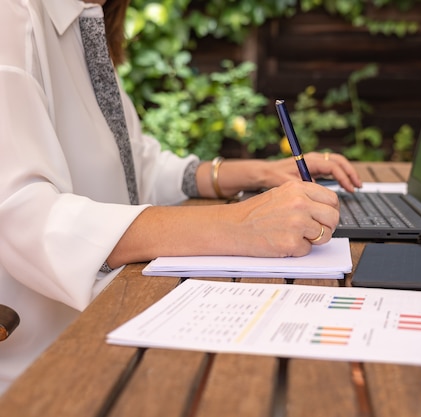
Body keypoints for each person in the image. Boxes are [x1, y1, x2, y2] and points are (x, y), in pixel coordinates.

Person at [0, 0, 362, 395]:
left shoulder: (84, 19)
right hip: (53, 357)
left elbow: (138, 167)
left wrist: (262, 172)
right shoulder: (12, 17)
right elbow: (23, 216)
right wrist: (240, 225)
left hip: (122, 315)